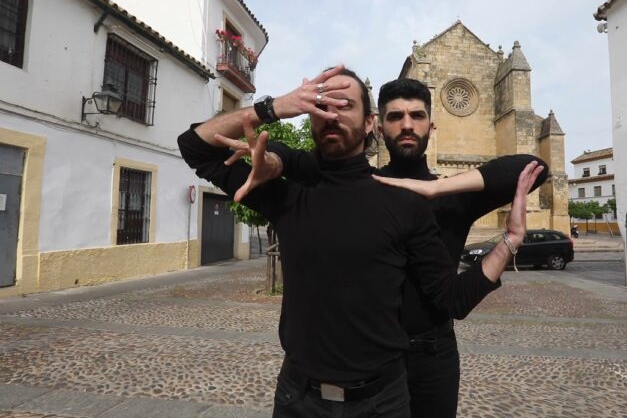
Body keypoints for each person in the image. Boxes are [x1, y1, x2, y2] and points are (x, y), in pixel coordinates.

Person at [178, 65, 544, 417]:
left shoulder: (436, 198)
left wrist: (438, 189)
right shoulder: (324, 187)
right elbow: (217, 150)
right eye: (395, 116)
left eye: (417, 116)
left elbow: (532, 168)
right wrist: (274, 116)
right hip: (323, 385)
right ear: (378, 127)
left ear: (430, 126)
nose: (406, 125)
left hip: (418, 362)